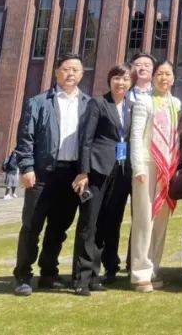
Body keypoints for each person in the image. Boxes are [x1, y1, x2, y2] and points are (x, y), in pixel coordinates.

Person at [11, 54, 92, 297]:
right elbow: (26, 137)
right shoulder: (38, 102)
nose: (71, 74)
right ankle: (23, 275)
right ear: (57, 72)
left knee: (59, 227)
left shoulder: (88, 104)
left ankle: (49, 272)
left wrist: (84, 172)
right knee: (31, 226)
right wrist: (26, 167)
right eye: (66, 69)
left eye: (75, 70)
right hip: (42, 173)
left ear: (81, 74)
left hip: (71, 175)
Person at [75, 63, 134, 293]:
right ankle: (81, 278)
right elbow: (86, 139)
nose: (121, 83)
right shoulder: (98, 103)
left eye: (125, 79)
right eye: (117, 78)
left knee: (110, 225)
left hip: (120, 173)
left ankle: (95, 275)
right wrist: (83, 171)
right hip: (98, 172)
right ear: (110, 80)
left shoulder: (130, 107)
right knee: (90, 224)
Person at [128, 60, 181, 292]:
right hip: (147, 166)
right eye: (160, 73)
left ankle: (154, 269)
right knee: (144, 220)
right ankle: (139, 272)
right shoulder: (144, 102)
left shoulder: (176, 104)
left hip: (167, 168)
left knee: (161, 221)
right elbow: (136, 137)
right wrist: (138, 167)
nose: (163, 78)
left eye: (168, 74)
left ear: (173, 78)